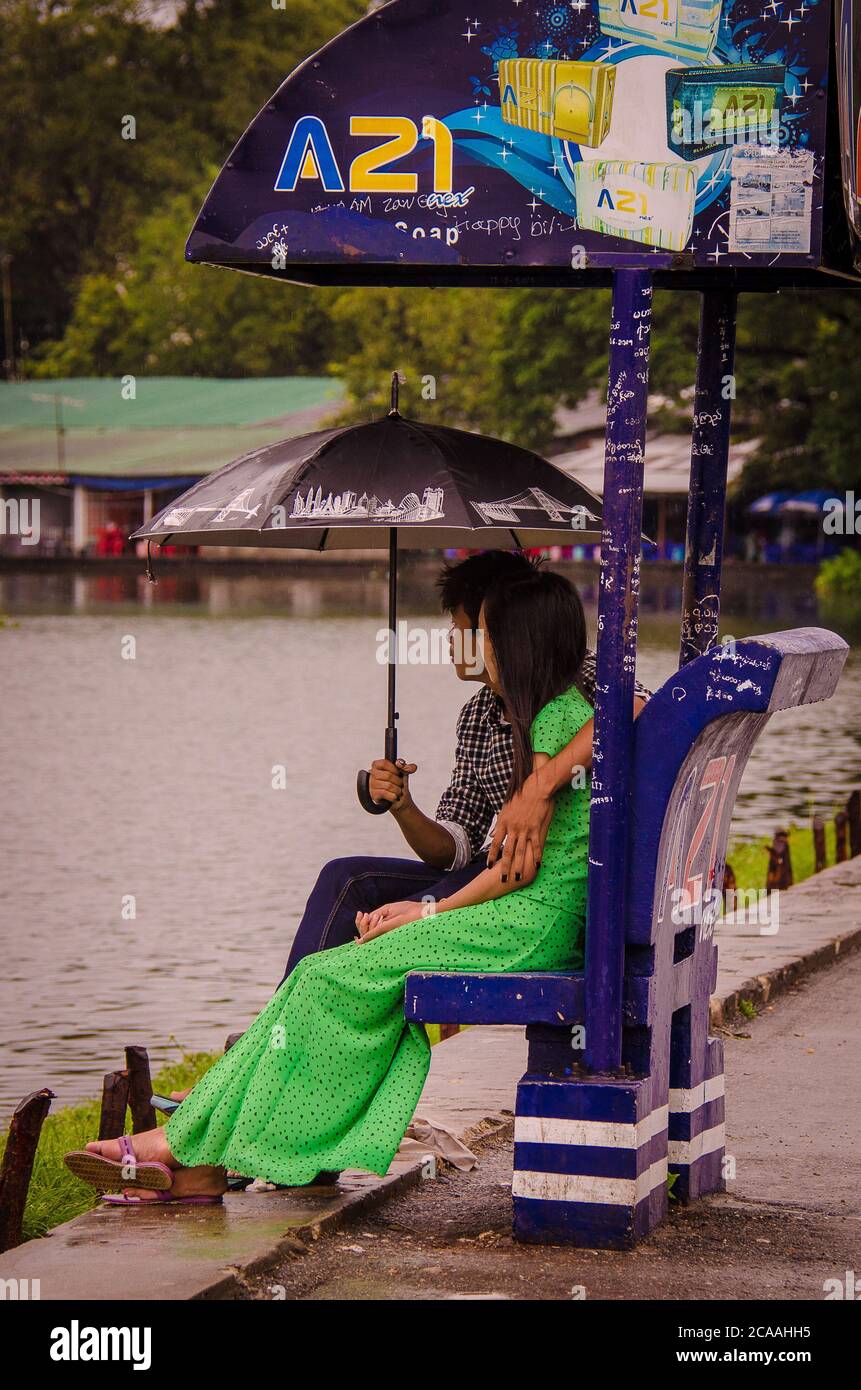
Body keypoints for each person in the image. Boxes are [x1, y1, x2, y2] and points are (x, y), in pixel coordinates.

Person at [65, 569, 603, 1201]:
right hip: (531, 917)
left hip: (530, 924)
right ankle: (201, 1155)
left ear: (519, 643)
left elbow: (518, 867)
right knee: (325, 969)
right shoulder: (536, 715)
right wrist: (407, 828)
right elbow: (480, 849)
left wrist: (430, 913)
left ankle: (185, 1142)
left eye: (480, 636)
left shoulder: (557, 718)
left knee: (327, 977)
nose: (473, 650)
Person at [281, 550, 649, 982]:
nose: (451, 643)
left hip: (540, 887)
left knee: (413, 913)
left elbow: (634, 705)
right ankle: (285, 1015)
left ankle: (324, 1005)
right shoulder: (476, 717)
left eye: (460, 629)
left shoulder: (568, 672)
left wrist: (539, 787)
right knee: (345, 878)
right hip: (494, 869)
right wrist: (403, 805)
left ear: (498, 632)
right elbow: (455, 848)